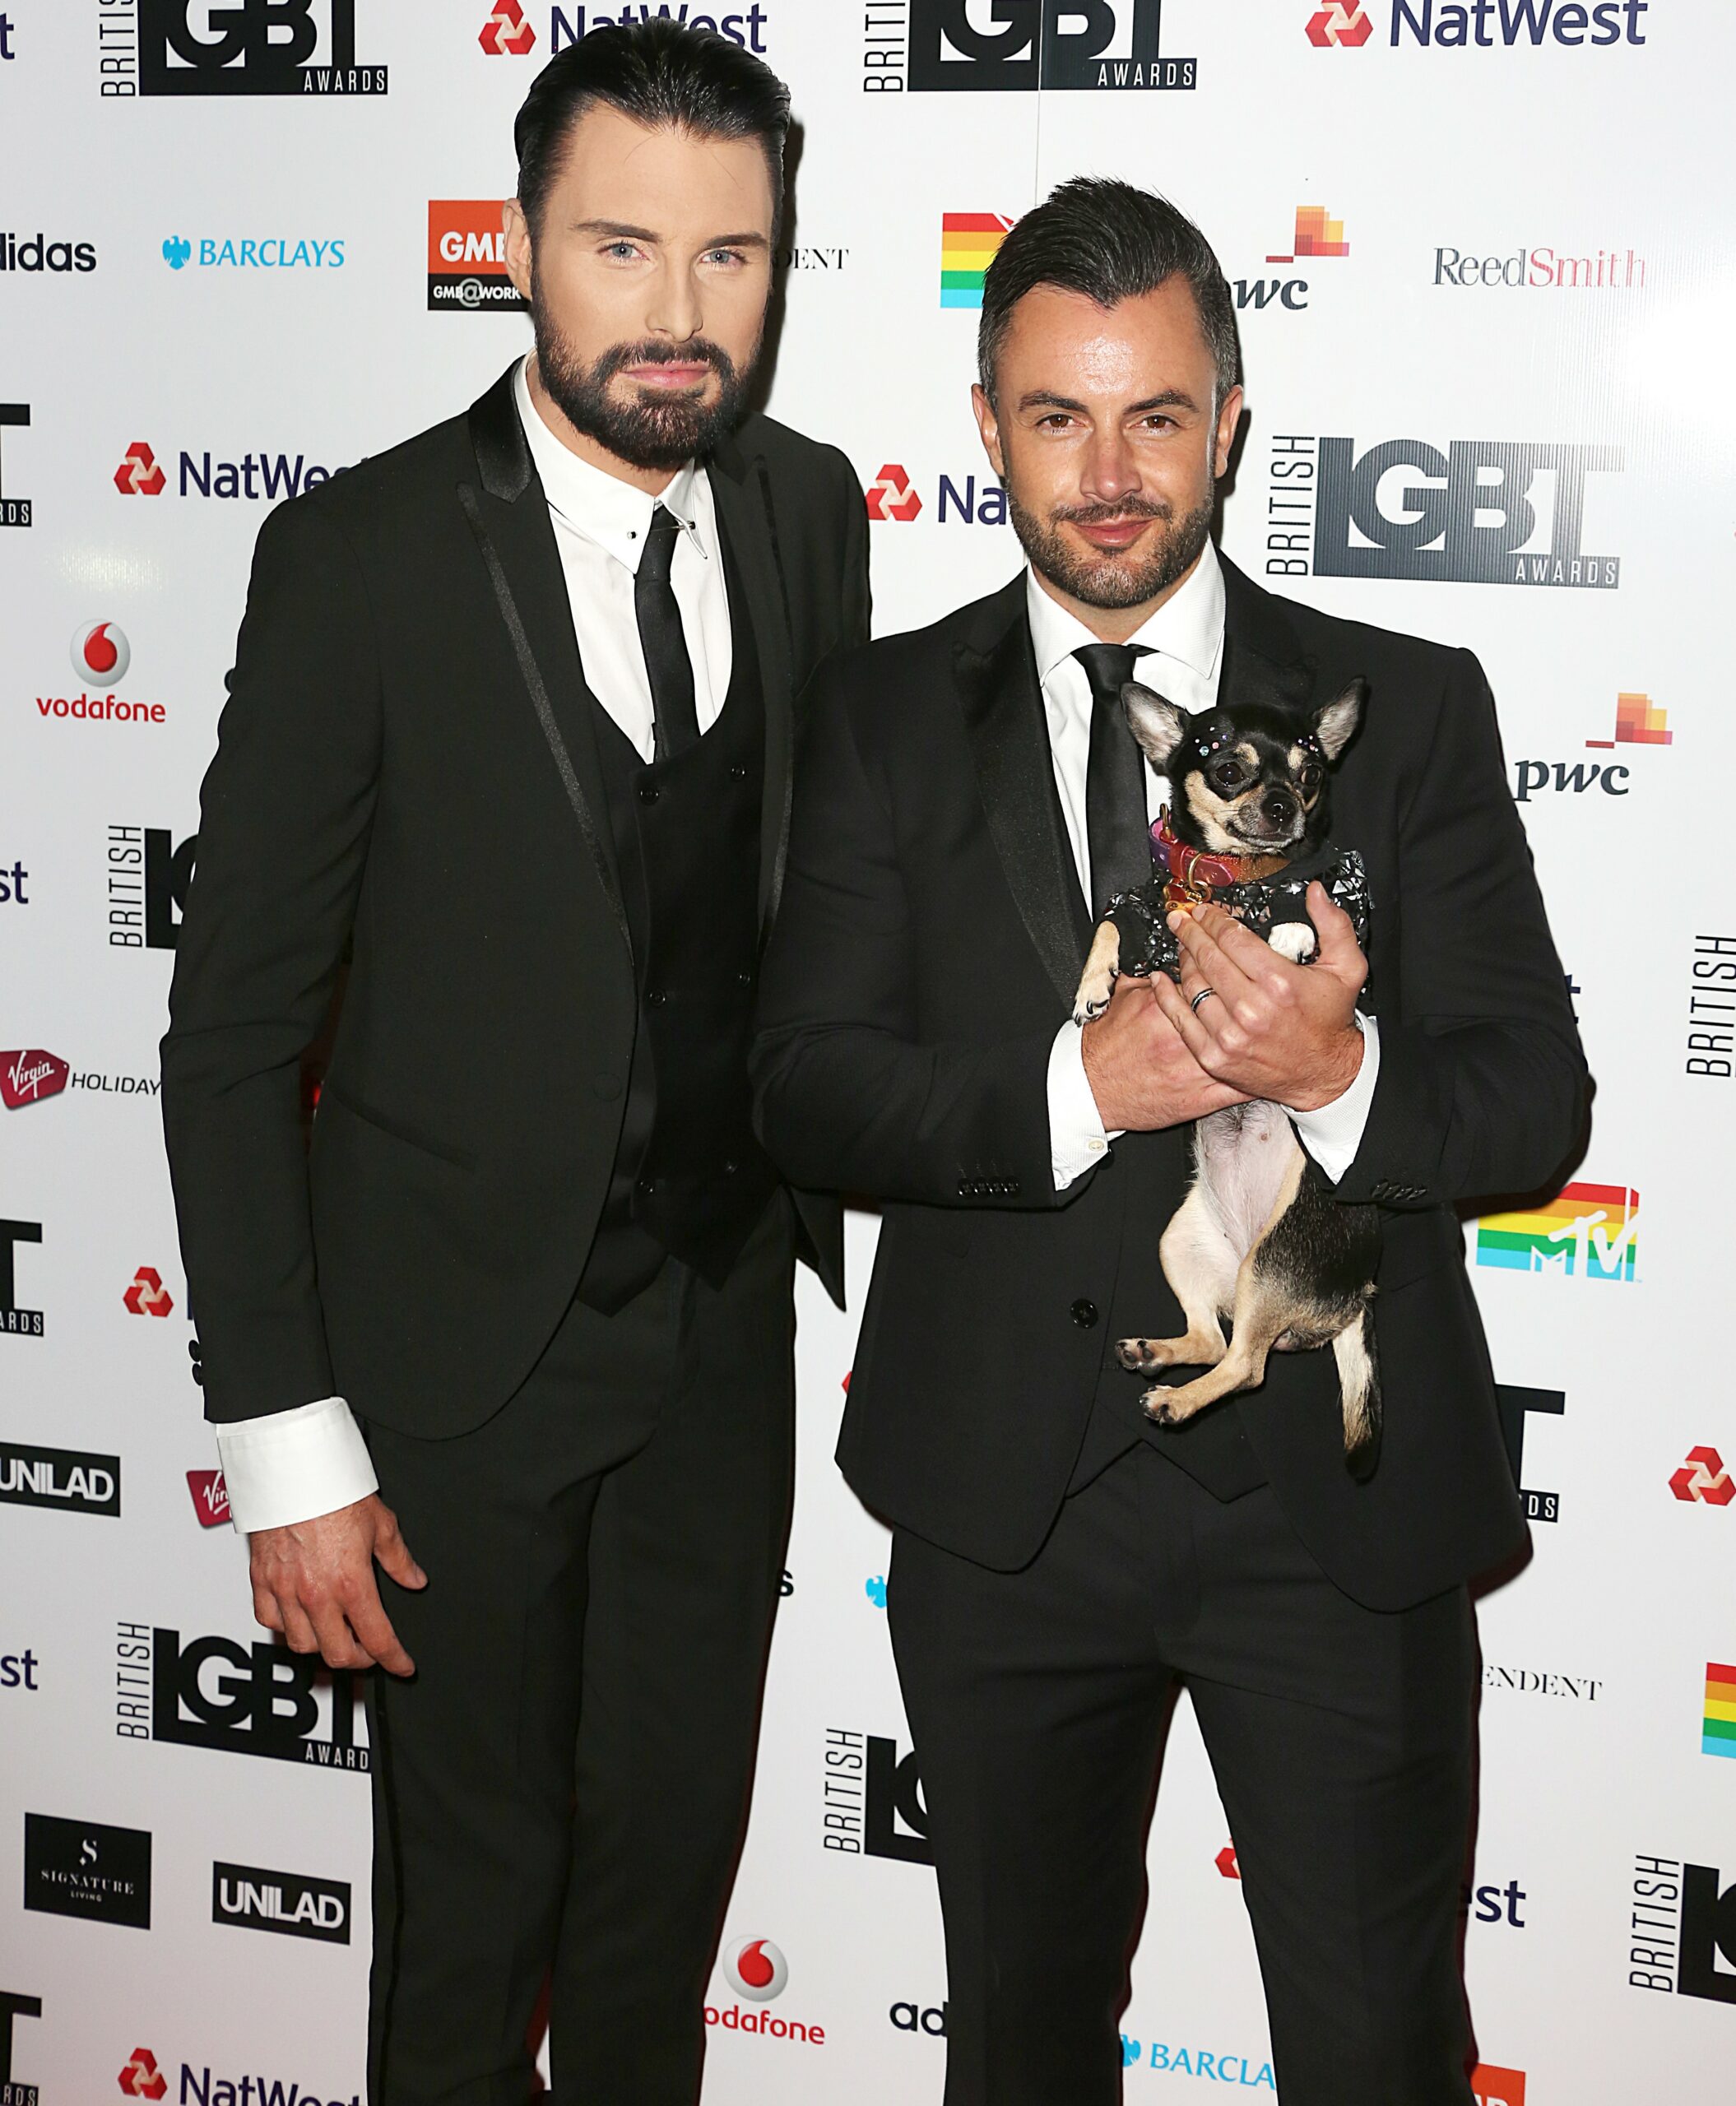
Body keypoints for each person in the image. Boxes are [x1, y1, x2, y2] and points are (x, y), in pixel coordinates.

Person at [752, 178, 1585, 2106]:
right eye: (1056, 416)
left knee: (1375, 2053)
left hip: (1336, 1518)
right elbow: (798, 1085)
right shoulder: (876, 716)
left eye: (1153, 414)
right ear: (986, 425)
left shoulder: (1409, 710)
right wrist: (1080, 1088)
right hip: (1005, 1508)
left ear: (1227, 418)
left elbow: (1530, 1098)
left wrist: (1335, 1069)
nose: (1108, 472)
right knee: (1018, 2049)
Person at [160, 24, 867, 2104]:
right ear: (518, 247)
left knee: (661, 1908)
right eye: (621, 246)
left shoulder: (808, 509)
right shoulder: (362, 556)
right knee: (470, 1930)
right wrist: (285, 1441)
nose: (679, 314)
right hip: (454, 1367)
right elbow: (231, 1033)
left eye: (731, 255)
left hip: (721, 1336)